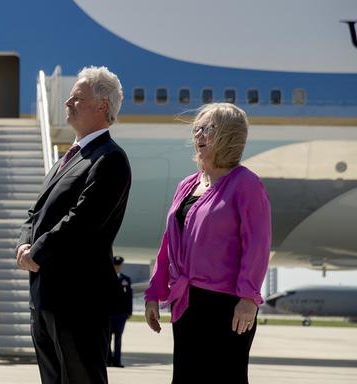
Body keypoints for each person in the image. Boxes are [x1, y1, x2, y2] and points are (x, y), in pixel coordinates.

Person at [15, 66, 131, 383]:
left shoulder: (109, 158)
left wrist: (36, 252)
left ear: (101, 106)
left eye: (77, 98)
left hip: (78, 298)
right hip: (46, 295)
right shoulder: (69, 157)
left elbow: (83, 221)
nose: (68, 102)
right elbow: (35, 211)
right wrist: (24, 243)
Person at [144, 103, 271, 384]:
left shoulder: (246, 184)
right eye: (196, 129)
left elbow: (258, 244)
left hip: (228, 306)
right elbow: (169, 245)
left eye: (208, 129)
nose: (199, 135)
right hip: (187, 301)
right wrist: (154, 292)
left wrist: (249, 298)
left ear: (229, 135)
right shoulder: (187, 185)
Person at [107, 256, 132, 368]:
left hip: (121, 314)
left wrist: (129, 312)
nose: (117, 268)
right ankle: (107, 360)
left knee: (118, 339)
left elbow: (129, 297)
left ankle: (117, 361)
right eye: (115, 265)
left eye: (118, 266)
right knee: (107, 339)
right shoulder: (106, 278)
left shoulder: (126, 280)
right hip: (108, 314)